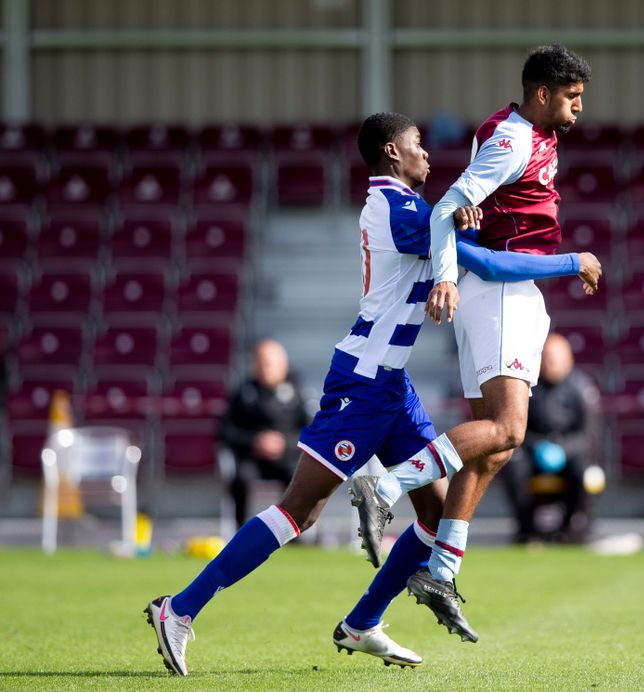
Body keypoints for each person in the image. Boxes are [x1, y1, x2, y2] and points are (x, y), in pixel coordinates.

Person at [145, 112, 592, 675]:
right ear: (390, 151)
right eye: (418, 146)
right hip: (360, 383)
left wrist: (461, 221)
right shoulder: (396, 208)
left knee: (434, 511)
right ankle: (179, 610)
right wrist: (570, 260)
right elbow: (487, 263)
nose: (428, 156)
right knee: (299, 512)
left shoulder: (412, 210)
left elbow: (456, 241)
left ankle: (363, 622)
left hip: (392, 386)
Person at [350, 45, 600, 643]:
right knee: (511, 429)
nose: (578, 110)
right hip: (499, 294)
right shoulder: (513, 139)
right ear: (543, 94)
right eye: (572, 98)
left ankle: (441, 570)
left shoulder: (523, 132)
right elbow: (448, 208)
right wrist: (444, 275)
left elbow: (476, 206)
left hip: (513, 293)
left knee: (493, 449)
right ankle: (385, 485)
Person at [500, 332, 601, 543]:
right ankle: (527, 530)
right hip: (533, 450)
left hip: (569, 452)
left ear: (568, 359)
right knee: (513, 466)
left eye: (556, 357)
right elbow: (518, 425)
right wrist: (537, 446)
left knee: (584, 473)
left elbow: (588, 432)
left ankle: (572, 529)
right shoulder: (528, 386)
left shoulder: (581, 388)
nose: (551, 362)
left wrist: (564, 449)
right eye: (547, 357)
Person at [218, 338, 310, 526]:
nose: (264, 368)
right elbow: (225, 431)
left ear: (283, 365)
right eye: (259, 362)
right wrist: (255, 441)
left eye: (269, 363)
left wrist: (285, 443)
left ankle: (295, 531)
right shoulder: (244, 394)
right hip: (252, 458)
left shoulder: (297, 394)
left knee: (298, 478)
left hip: (287, 458)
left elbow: (310, 431)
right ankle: (241, 530)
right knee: (240, 477)